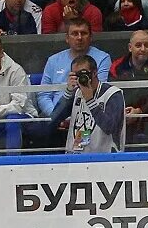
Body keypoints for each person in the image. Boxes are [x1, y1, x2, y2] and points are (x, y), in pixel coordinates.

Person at [35, 17, 111, 148]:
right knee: (40, 132)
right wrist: (57, 115)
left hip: (87, 118)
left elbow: (100, 89)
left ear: (91, 36)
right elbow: (43, 94)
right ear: (67, 38)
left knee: (81, 147)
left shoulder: (103, 58)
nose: (79, 37)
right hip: (56, 118)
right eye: (75, 33)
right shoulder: (53, 60)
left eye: (84, 33)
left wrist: (73, 118)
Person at [57, 54, 125, 153]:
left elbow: (109, 127)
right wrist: (68, 92)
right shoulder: (77, 93)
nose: (81, 78)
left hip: (105, 159)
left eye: (83, 74)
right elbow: (54, 119)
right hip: (75, 156)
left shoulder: (113, 94)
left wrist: (90, 101)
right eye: (76, 75)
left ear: (94, 73)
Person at [109, 28, 148, 146]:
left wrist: (140, 111)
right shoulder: (117, 67)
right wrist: (124, 111)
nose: (143, 49)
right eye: (138, 45)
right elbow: (112, 95)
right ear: (130, 47)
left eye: (146, 45)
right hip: (124, 116)